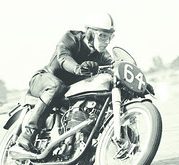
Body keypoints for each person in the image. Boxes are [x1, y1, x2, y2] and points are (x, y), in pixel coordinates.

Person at [16, 13, 118, 152]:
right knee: (57, 86)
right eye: (103, 35)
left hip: (68, 94)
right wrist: (78, 68)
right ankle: (28, 134)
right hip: (44, 80)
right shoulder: (71, 38)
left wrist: (138, 83)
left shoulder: (104, 56)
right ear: (90, 33)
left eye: (110, 37)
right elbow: (63, 58)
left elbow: (113, 69)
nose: (107, 41)